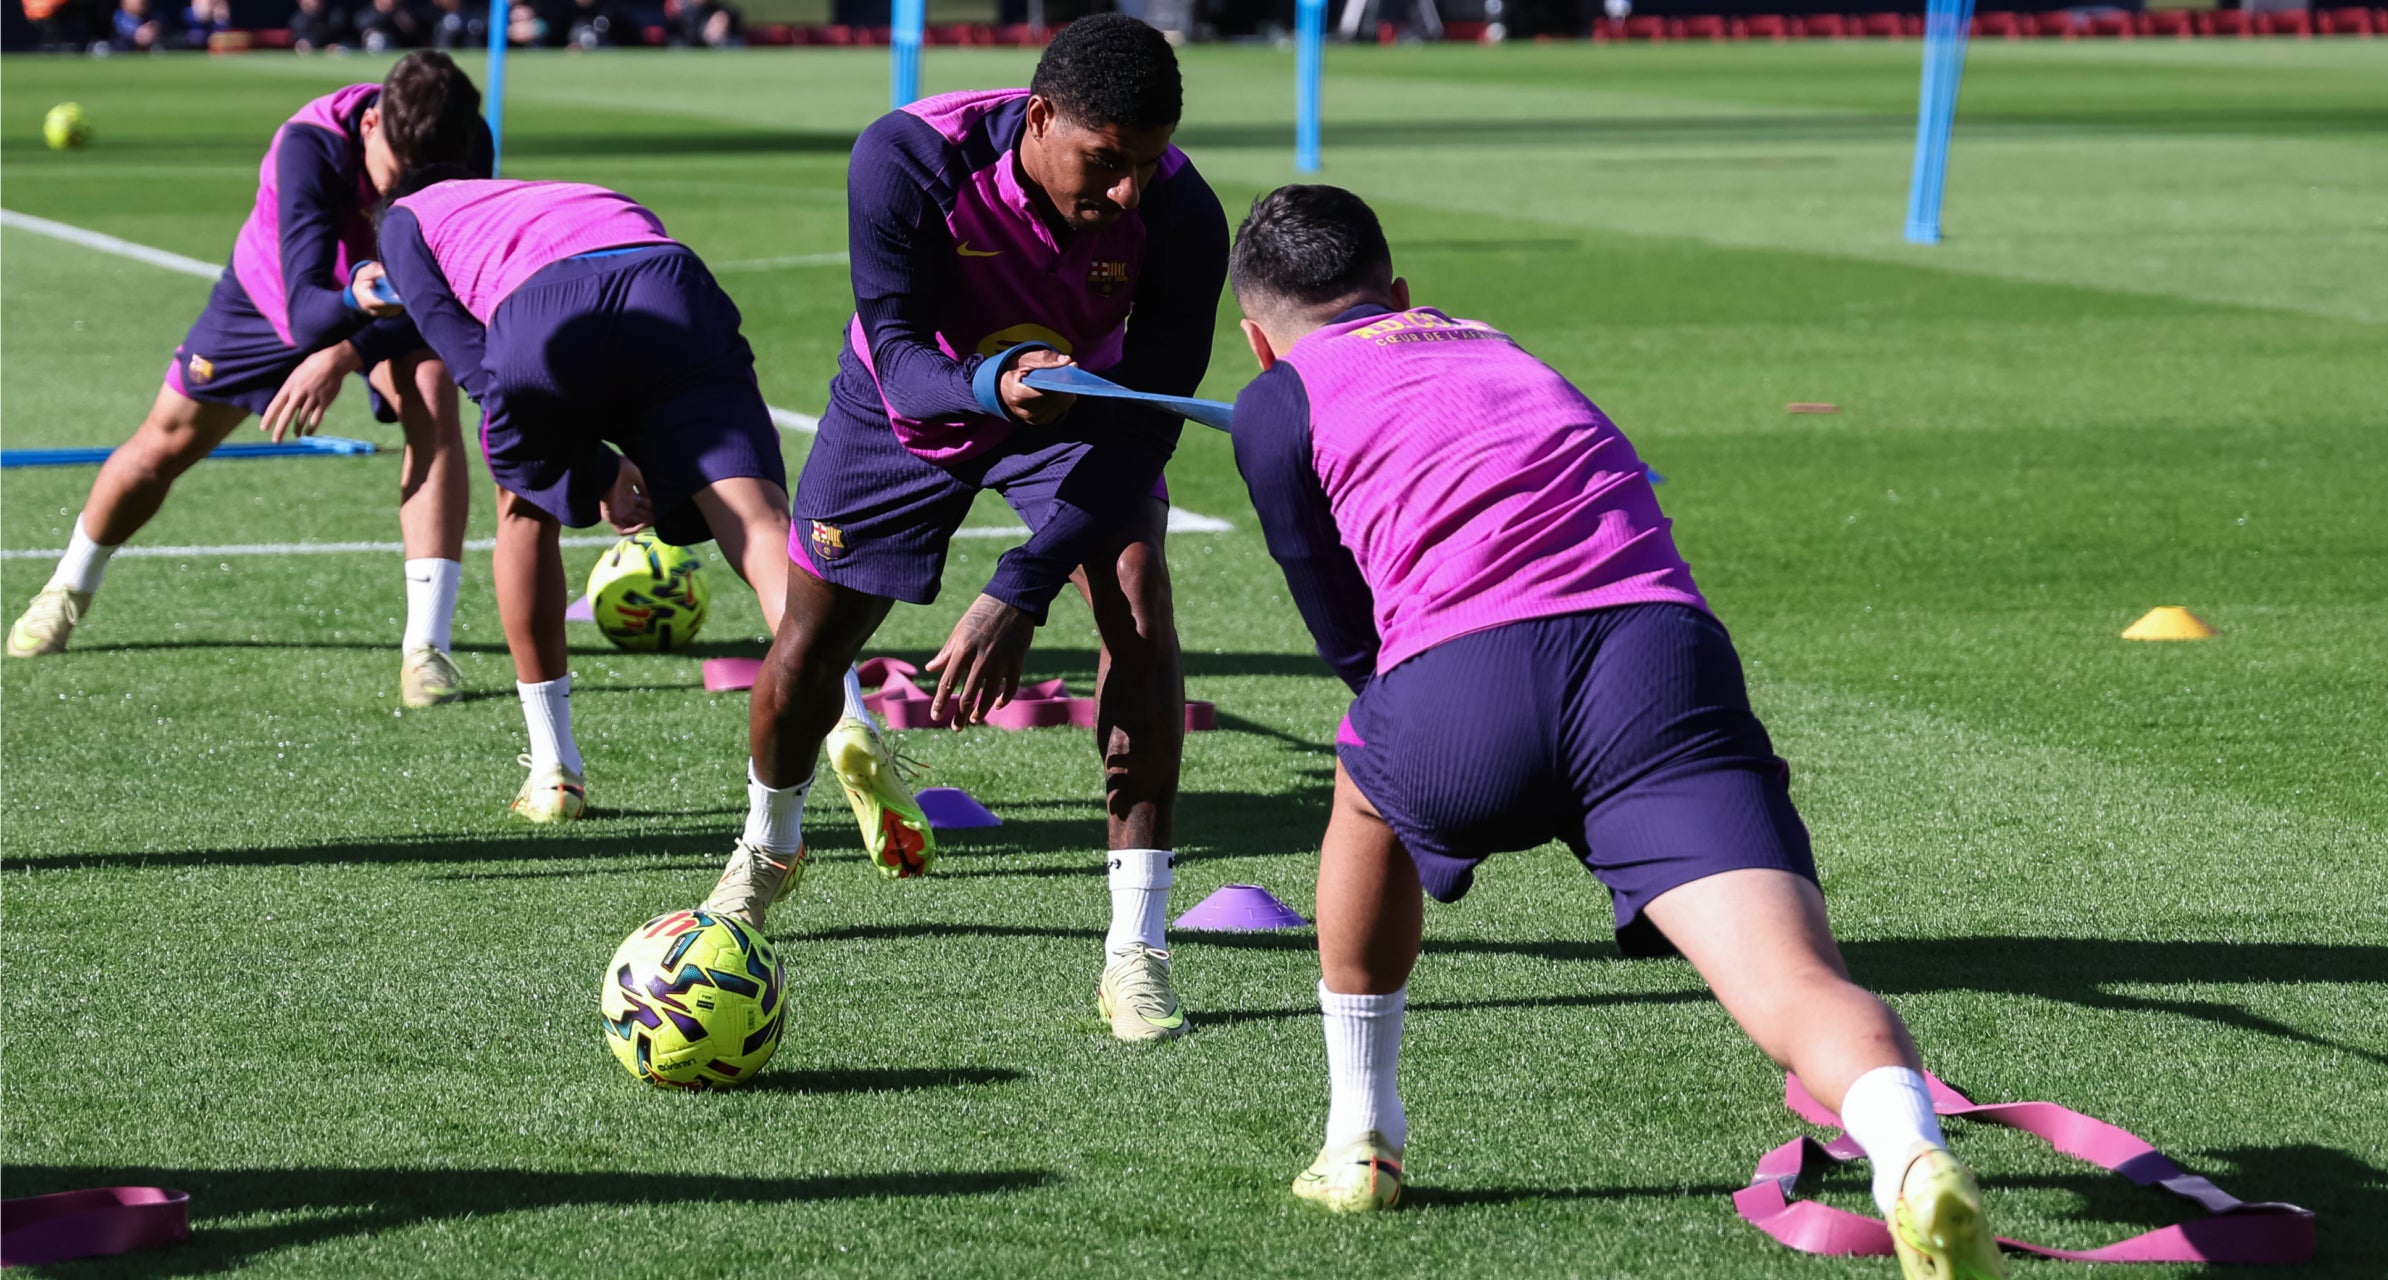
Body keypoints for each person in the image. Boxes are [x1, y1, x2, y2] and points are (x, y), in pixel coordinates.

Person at [1223, 185, 2007, 1280]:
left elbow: (1338, 618)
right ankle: (1911, 1155)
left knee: (1364, 785)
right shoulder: (1495, 342)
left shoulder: (1274, 401)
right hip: (1659, 658)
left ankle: (1363, 1137)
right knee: (1796, 986)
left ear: (1256, 340)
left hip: (1464, 676)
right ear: (1402, 294)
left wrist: (1420, 724)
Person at [703, 12, 1227, 1045]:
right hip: (908, 406)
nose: (1124, 190)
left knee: (1138, 604)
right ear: (1039, 119)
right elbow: (895, 350)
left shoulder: (1180, 213)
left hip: (1080, 409)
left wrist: (1022, 583)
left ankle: (1136, 948)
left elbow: (1144, 433)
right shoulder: (907, 157)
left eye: (1145, 165)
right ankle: (765, 855)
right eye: (1105, 160)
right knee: (808, 644)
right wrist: (990, 384)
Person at [7, 53, 486, 720]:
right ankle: (66, 587)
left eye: (421, 180)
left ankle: (426, 648)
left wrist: (346, 356)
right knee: (165, 443)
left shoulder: (464, 140)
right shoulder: (310, 147)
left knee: (432, 402)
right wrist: (337, 333)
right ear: (371, 121)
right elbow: (309, 310)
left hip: (394, 299)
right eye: (394, 173)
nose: (401, 194)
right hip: (277, 295)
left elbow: (444, 286)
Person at [373, 176, 798, 824]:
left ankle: (554, 771)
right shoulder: (563, 193)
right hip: (671, 281)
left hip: (544, 306)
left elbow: (481, 375)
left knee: (521, 506)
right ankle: (849, 715)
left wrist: (597, 468)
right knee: (757, 516)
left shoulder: (406, 222)